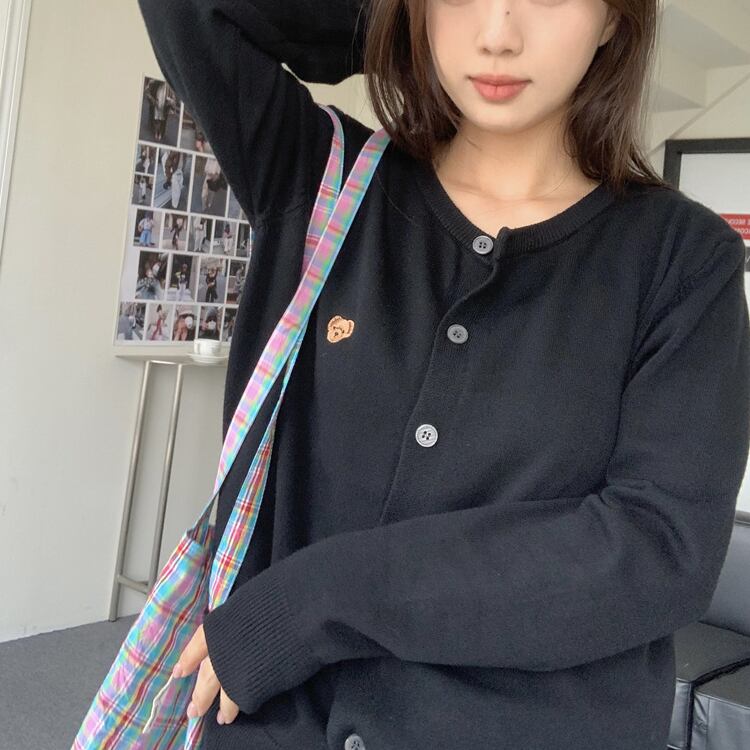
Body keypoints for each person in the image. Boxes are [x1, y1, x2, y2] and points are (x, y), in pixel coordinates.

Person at [137, 2, 750, 749]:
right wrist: (399, 23)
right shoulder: (322, 178)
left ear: (615, 18)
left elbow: (659, 550)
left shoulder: (684, 261)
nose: (497, 35)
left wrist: (318, 601)